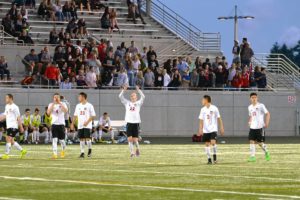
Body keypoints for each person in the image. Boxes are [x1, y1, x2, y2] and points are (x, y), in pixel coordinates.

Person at [119, 85, 145, 157]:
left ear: (136, 97)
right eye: (131, 96)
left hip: (136, 123)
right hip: (129, 123)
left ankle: (138, 149)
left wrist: (138, 90)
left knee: (135, 140)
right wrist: (124, 90)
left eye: (134, 96)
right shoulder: (127, 103)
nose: (133, 97)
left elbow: (143, 97)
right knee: (129, 139)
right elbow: (120, 96)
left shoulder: (139, 103)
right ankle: (132, 153)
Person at [197, 95, 224, 164]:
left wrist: (221, 127)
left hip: (213, 129)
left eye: (203, 100)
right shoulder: (202, 109)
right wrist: (200, 129)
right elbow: (201, 120)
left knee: (213, 142)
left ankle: (215, 158)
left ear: (206, 100)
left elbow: (219, 118)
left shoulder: (214, 108)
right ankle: (209, 160)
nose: (202, 101)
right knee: (207, 144)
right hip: (205, 130)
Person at [0, 94, 27, 159]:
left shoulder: (15, 107)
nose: (5, 99)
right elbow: (5, 115)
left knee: (8, 138)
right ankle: (22, 150)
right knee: (11, 141)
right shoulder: (7, 106)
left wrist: (21, 127)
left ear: (11, 98)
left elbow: (18, 117)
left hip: (13, 126)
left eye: (7, 98)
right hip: (9, 126)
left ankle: (6, 154)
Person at [71, 92, 96, 158]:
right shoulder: (78, 106)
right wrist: (72, 124)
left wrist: (87, 122)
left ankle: (89, 150)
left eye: (79, 97)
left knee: (87, 138)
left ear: (83, 97)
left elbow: (93, 116)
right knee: (81, 139)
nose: (78, 98)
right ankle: (82, 153)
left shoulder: (89, 105)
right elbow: (75, 115)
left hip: (87, 125)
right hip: (80, 125)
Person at [248, 93, 271, 162]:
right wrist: (249, 121)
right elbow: (251, 116)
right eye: (252, 97)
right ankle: (252, 157)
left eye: (255, 97)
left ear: (257, 98)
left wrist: (267, 122)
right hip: (252, 127)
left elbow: (267, 114)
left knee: (260, 143)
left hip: (260, 127)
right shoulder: (249, 107)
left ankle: (266, 151)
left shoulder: (261, 105)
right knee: (251, 141)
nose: (254, 99)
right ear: (250, 99)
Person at [47, 93, 68, 159]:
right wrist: (53, 104)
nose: (56, 99)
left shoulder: (63, 104)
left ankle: (63, 151)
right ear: (53, 98)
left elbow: (65, 111)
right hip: (54, 124)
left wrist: (60, 103)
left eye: (57, 97)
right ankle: (55, 154)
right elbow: (48, 113)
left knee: (62, 141)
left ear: (59, 98)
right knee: (54, 139)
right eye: (55, 97)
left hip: (61, 124)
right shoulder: (51, 104)